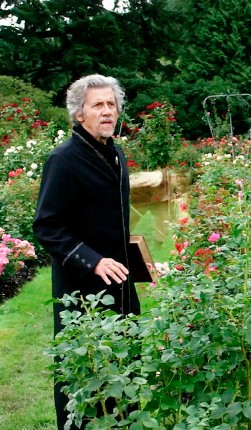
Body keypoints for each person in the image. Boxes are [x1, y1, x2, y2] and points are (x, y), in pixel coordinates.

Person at [33, 74, 140, 430]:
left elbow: (111, 221)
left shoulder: (114, 152)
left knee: (123, 370)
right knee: (83, 374)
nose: (107, 111)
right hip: (82, 291)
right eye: (98, 105)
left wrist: (139, 260)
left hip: (120, 285)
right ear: (79, 114)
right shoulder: (63, 159)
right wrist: (92, 261)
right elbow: (47, 226)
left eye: (111, 104)